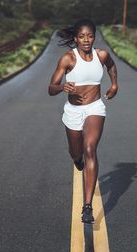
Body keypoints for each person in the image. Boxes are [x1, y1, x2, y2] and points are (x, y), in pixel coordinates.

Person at [48, 19, 118, 224]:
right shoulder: (68, 59)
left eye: (90, 36)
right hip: (73, 111)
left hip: (94, 107)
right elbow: (51, 88)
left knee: (90, 149)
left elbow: (112, 67)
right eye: (82, 36)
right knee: (77, 154)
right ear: (76, 38)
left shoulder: (101, 55)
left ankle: (87, 206)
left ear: (94, 36)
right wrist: (62, 87)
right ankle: (77, 160)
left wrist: (114, 85)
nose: (86, 40)